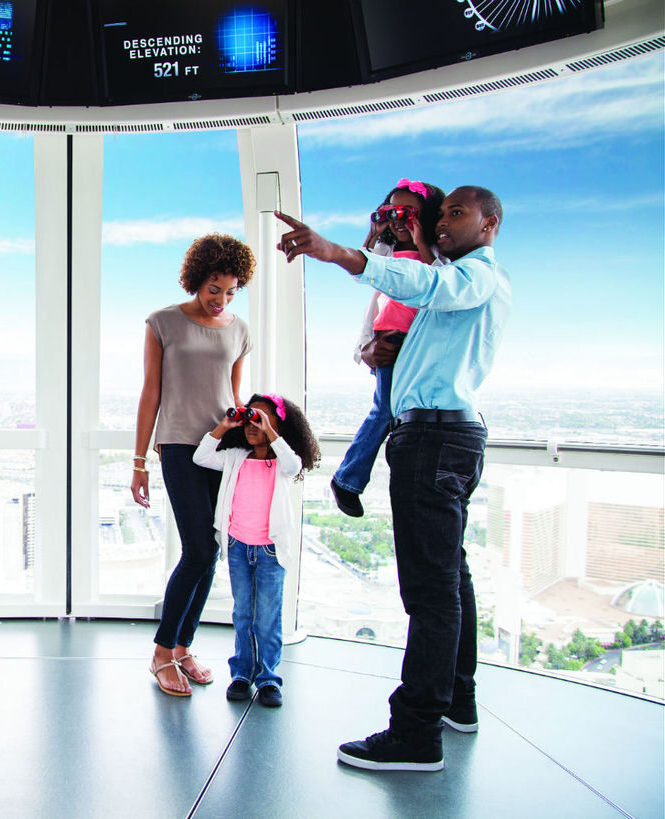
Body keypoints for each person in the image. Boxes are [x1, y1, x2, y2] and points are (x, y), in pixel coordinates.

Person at [276, 186, 510, 772]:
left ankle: (415, 734)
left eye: (459, 212)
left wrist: (336, 253)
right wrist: (390, 352)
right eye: (443, 212)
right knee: (450, 578)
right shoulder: (457, 281)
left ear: (490, 224)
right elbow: (422, 304)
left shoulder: (475, 276)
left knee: (430, 594)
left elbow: (425, 284)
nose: (446, 221)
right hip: (442, 436)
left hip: (434, 441)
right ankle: (458, 701)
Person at [134, 233, 255, 697]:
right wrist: (138, 460)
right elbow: (151, 394)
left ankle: (183, 647)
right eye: (214, 289)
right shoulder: (162, 322)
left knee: (213, 552)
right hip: (181, 445)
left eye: (231, 291)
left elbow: (234, 395)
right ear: (195, 280)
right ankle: (162, 652)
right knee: (199, 551)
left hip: (225, 447)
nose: (222, 300)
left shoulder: (240, 330)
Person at [193, 394, 319, 707]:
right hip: (238, 546)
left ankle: (268, 679)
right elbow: (201, 457)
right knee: (242, 614)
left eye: (261, 419)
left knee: (267, 618)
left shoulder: (281, 463)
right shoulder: (235, 456)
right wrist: (225, 425)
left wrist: (271, 433)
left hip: (270, 551)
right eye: (250, 418)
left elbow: (294, 464)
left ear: (278, 426)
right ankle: (241, 673)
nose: (253, 425)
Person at [331, 179, 446, 517]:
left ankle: (356, 479)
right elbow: (361, 268)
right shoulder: (388, 252)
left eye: (408, 212)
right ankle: (348, 480)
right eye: (392, 212)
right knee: (386, 410)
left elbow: (435, 278)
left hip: (416, 342)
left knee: (399, 415)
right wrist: (374, 229)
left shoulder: (436, 255)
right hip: (389, 336)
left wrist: (421, 239)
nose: (399, 220)